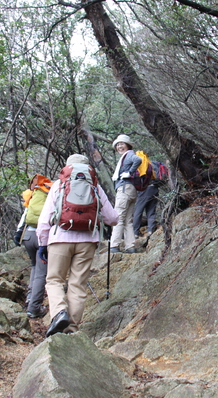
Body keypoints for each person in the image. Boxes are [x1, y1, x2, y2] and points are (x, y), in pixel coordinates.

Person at [36, 154, 118, 337]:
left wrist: (42, 243)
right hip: (87, 241)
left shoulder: (59, 185)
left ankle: (59, 313)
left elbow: (44, 220)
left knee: (55, 280)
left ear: (67, 168)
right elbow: (113, 218)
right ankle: (71, 329)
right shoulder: (95, 187)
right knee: (77, 284)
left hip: (60, 239)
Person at [14, 174, 52, 319]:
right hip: (42, 237)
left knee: (35, 267)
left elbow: (25, 215)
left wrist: (18, 234)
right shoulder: (50, 194)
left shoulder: (32, 195)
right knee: (42, 273)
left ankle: (30, 298)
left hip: (28, 236)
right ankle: (34, 307)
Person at [109, 134, 142, 253]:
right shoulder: (126, 156)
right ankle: (130, 246)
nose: (119, 146)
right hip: (131, 190)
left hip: (124, 189)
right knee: (127, 220)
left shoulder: (128, 155)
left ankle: (114, 245)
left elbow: (138, 160)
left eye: (121, 143)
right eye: (117, 145)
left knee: (119, 217)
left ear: (127, 145)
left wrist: (129, 172)